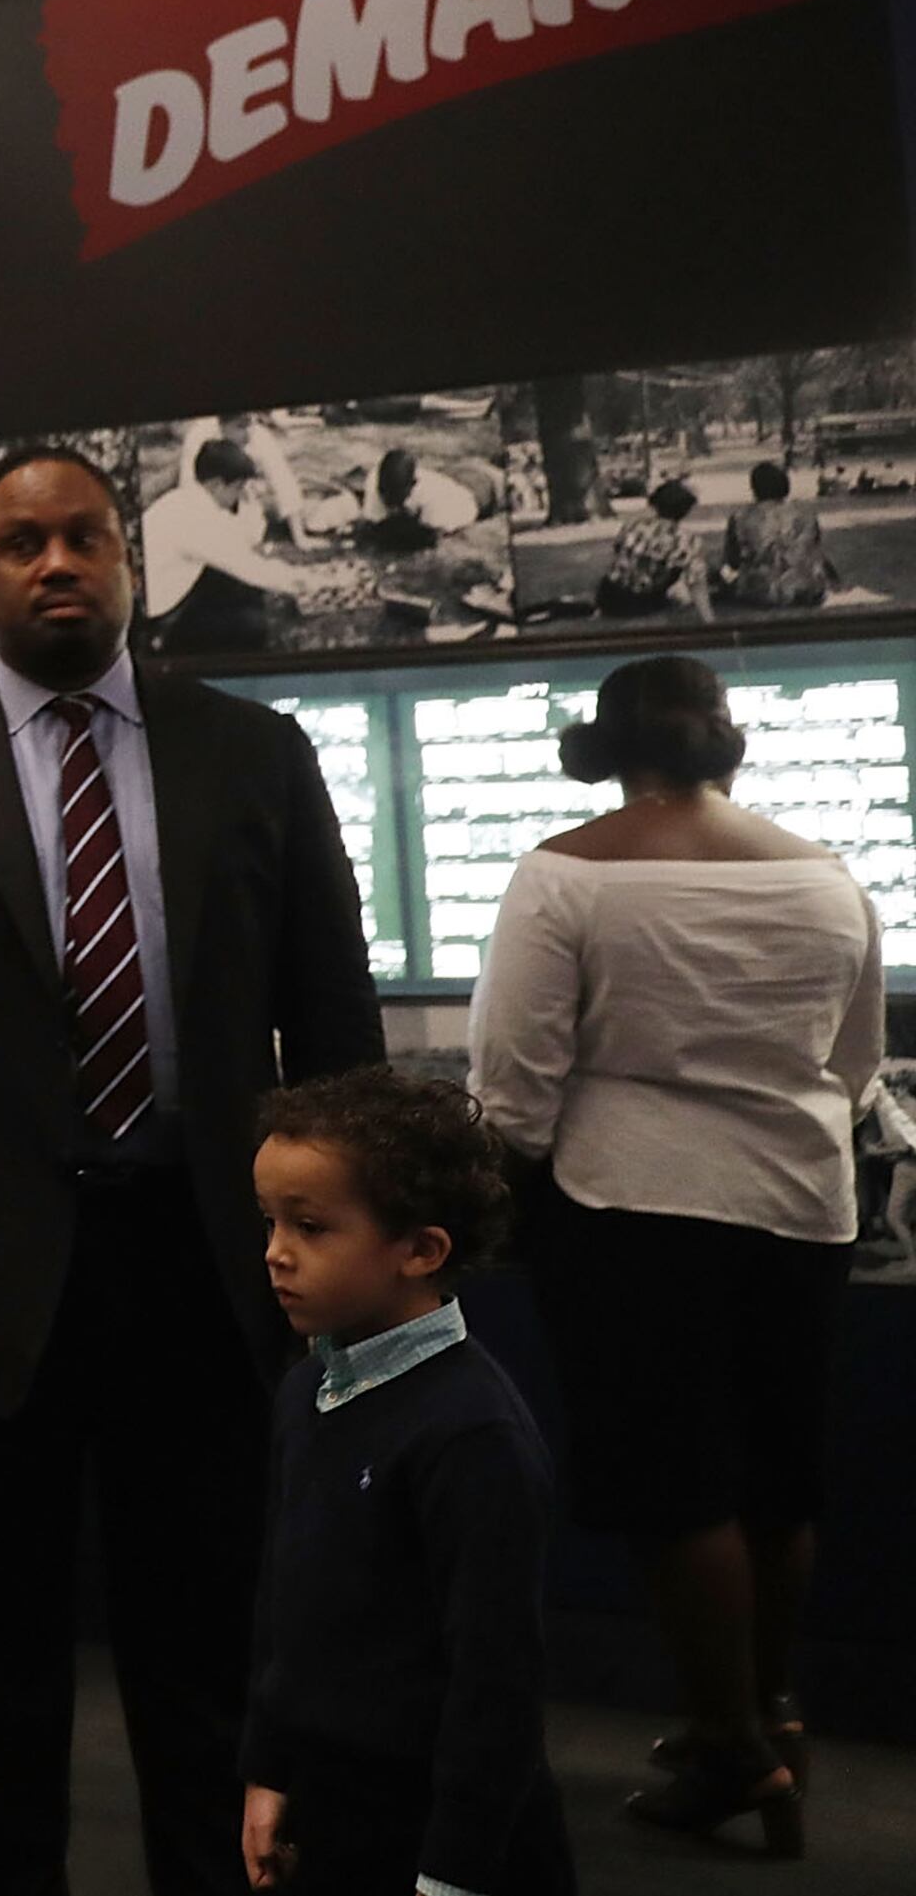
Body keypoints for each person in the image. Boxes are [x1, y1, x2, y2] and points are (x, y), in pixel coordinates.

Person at [0, 445, 386, 1896]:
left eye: (83, 539)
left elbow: (335, 1023)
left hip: (209, 1272)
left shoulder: (254, 753)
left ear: (131, 560)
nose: (56, 564)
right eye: (22, 545)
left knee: (207, 1656)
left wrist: (358, 1245)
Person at [466, 656, 881, 1853]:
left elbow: (514, 1094)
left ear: (605, 744)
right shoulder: (828, 877)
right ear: (724, 740)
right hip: (803, 1205)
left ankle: (730, 1750)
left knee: (674, 1486)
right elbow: (853, 1067)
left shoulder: (564, 875)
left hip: (629, 1209)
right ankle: (769, 1711)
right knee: (776, 1476)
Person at [240, 1067, 570, 1896]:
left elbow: (496, 1682)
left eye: (311, 1226)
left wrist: (452, 1873)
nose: (276, 1252)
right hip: (332, 1811)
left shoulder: (470, 1434)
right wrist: (269, 1768)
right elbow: (287, 1605)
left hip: (440, 1835)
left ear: (421, 1249)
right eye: (271, 1220)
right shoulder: (306, 1389)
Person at [144, 436, 321, 654]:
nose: (240, 496)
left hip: (157, 588)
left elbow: (241, 541)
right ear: (217, 484)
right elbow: (250, 568)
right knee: (251, 624)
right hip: (161, 607)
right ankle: (174, 648)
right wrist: (304, 581)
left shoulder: (183, 498)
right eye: (238, 488)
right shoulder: (198, 519)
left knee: (243, 590)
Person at [711, 461, 835, 612]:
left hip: (762, 591)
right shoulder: (807, 515)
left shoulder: (740, 518)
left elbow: (732, 561)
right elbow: (814, 552)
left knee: (720, 575)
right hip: (806, 588)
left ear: (754, 487)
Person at [589, 477, 708, 619]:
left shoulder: (632, 526)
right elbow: (696, 581)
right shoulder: (685, 540)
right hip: (641, 601)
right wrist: (708, 618)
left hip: (608, 595)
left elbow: (618, 552)